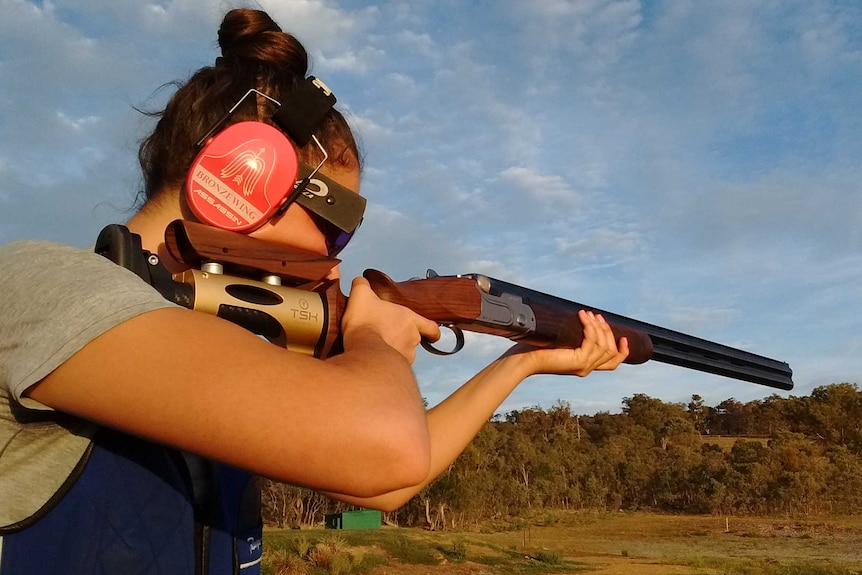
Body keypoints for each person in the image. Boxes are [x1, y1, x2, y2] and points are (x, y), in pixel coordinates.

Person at [0, 8, 629, 575]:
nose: (330, 267)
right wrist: (375, 340)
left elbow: (384, 484)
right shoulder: (41, 286)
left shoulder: (210, 334)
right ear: (241, 175)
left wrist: (522, 360)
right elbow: (385, 451)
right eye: (332, 230)